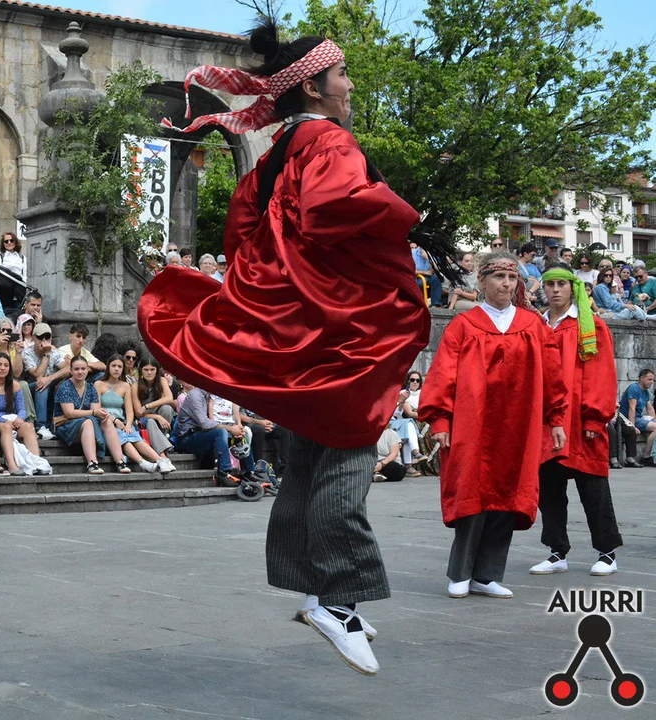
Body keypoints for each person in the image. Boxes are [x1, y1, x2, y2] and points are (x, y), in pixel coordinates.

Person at [141, 22, 446, 676]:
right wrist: (405, 216)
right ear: (313, 85)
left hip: (298, 329)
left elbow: (242, 235)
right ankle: (337, 599)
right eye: (342, 74)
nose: (350, 84)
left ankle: (311, 588)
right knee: (347, 452)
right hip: (339, 332)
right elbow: (336, 207)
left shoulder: (275, 154)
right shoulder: (330, 141)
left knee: (307, 460)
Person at [420, 251, 568, 602]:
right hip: (472, 423)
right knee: (472, 494)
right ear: (482, 281)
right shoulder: (464, 325)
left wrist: (556, 419)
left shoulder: (533, 325)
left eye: (512, 278)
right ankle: (461, 573)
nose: (506, 284)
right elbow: (443, 374)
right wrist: (440, 419)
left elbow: (553, 375)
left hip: (519, 425)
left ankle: (487, 575)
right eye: (499, 277)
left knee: (508, 496)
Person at [529, 264, 622, 578]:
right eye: (550, 284)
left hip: (581, 419)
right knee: (549, 489)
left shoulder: (590, 325)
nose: (555, 290)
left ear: (573, 287)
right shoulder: (537, 325)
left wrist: (595, 418)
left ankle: (607, 553)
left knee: (593, 487)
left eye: (561, 284)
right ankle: (557, 552)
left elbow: (601, 374)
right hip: (546, 422)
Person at [95, 355, 172, 473]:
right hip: (105, 421)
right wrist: (114, 420)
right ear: (108, 367)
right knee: (123, 437)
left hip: (122, 421)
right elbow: (97, 409)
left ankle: (160, 460)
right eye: (114, 366)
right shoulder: (98, 384)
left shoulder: (125, 386)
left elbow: (129, 411)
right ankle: (142, 462)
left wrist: (128, 424)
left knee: (133, 436)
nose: (116, 369)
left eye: (119, 366)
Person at [53, 355, 123, 475]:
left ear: (87, 370)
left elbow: (96, 411)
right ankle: (92, 463)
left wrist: (104, 415)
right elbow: (69, 413)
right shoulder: (64, 387)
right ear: (70, 370)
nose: (80, 372)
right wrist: (93, 413)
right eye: (76, 369)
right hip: (66, 425)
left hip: (86, 423)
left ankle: (120, 462)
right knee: (88, 422)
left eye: (83, 369)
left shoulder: (90, 387)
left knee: (106, 421)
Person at [0, 352, 42, 475]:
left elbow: (22, 409)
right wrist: (5, 421)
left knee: (28, 426)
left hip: (12, 420)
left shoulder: (15, 385)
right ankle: (12, 465)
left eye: (6, 365)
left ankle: (37, 463)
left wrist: (20, 419)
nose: (2, 368)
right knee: (6, 427)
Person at [132, 358, 178, 459]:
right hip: (145, 419)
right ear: (141, 370)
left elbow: (169, 397)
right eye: (146, 369)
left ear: (157, 370)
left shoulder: (161, 380)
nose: (149, 372)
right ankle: (164, 447)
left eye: (152, 369)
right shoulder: (136, 386)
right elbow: (138, 413)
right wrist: (157, 417)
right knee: (151, 421)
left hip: (159, 414)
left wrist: (147, 406)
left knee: (167, 409)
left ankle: (161, 441)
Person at [619, 369, 656, 463]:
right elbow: (631, 408)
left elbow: (650, 409)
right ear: (642, 378)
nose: (652, 382)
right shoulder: (634, 388)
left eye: (652, 380)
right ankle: (646, 457)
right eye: (649, 379)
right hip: (627, 418)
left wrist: (654, 420)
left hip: (638, 418)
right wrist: (632, 426)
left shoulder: (646, 392)